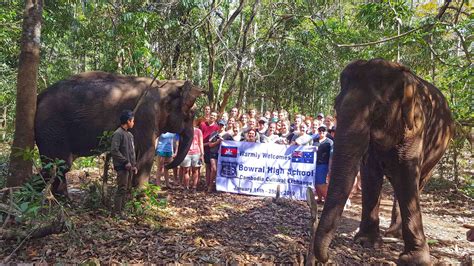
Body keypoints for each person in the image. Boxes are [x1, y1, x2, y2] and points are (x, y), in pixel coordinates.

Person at [111, 110, 138, 217]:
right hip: (122, 166)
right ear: (128, 121)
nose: (133, 123)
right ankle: (117, 213)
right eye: (133, 121)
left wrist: (134, 164)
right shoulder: (118, 133)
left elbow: (132, 152)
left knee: (126, 189)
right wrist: (125, 161)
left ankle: (122, 211)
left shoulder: (130, 135)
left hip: (129, 167)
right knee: (121, 189)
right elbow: (114, 150)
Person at [199, 112, 219, 191]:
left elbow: (215, 139)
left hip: (211, 148)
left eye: (214, 116)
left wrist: (206, 144)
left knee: (212, 167)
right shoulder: (203, 124)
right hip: (201, 147)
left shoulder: (217, 127)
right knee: (206, 166)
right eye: (211, 115)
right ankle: (205, 184)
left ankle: (210, 184)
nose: (212, 117)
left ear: (216, 118)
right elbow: (199, 135)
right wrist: (201, 145)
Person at [181, 125, 204, 192]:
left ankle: (194, 187)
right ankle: (186, 187)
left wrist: (202, 154)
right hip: (186, 153)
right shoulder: (184, 130)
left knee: (195, 170)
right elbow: (181, 142)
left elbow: (201, 143)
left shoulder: (198, 131)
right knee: (186, 170)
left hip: (196, 153)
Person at [314, 125, 333, 204]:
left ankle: (327, 199)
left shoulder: (329, 142)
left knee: (321, 182)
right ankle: (319, 198)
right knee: (315, 182)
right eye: (320, 130)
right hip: (314, 164)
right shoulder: (314, 140)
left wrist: (330, 166)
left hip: (323, 164)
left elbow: (331, 155)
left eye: (323, 130)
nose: (321, 132)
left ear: (326, 132)